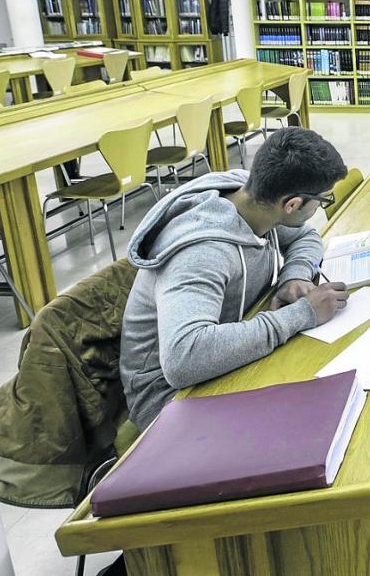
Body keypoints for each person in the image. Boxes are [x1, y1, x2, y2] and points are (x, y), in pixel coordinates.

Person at [120, 126, 350, 430]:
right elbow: (183, 359)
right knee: (315, 419)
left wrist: (292, 276)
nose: (320, 206)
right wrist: (302, 313)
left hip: (226, 350)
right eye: (321, 200)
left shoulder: (254, 197)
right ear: (292, 204)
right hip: (169, 401)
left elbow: (304, 235)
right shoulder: (201, 254)